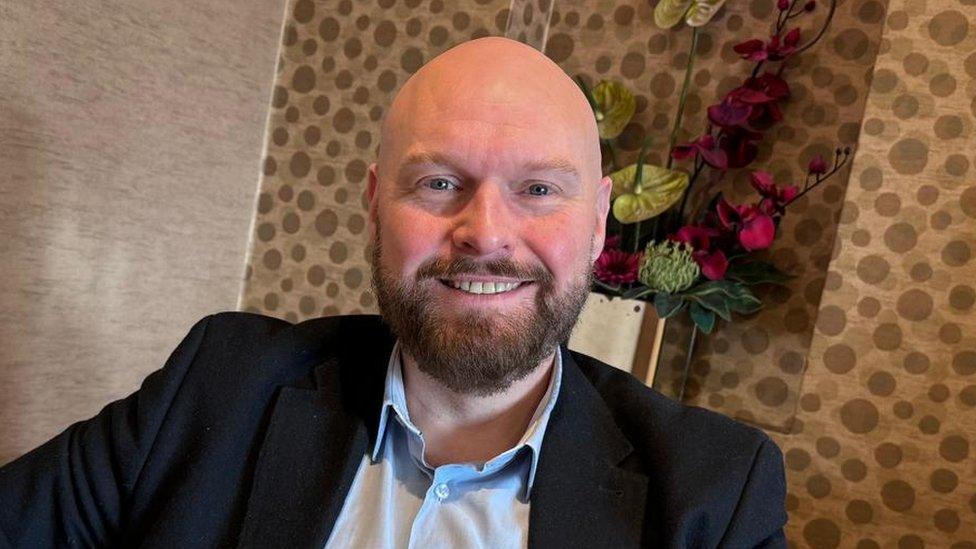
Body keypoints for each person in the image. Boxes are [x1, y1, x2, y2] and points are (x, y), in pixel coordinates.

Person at [0, 37, 786, 548]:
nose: (485, 232)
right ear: (375, 204)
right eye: (439, 182)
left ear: (597, 225)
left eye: (539, 189)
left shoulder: (714, 495)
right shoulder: (218, 383)